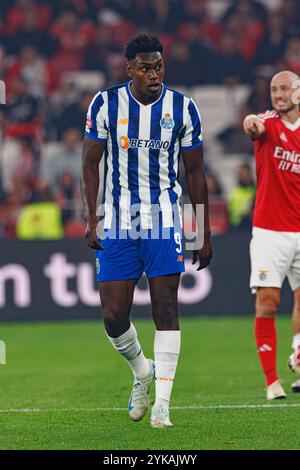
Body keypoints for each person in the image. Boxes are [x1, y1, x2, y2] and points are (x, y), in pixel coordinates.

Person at [81, 33, 212, 428]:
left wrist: (202, 231)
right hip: (119, 219)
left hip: (164, 218)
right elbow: (89, 164)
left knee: (166, 308)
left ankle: (163, 405)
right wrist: (92, 216)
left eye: (158, 66)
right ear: (130, 69)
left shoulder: (183, 108)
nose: (153, 74)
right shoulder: (105, 104)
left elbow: (194, 171)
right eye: (145, 67)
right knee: (113, 315)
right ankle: (142, 371)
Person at [243, 70, 300, 400]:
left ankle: (297, 354)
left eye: (284, 88)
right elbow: (254, 124)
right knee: (268, 302)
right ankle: (271, 379)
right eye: (273, 89)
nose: (278, 94)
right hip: (269, 231)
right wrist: (250, 122)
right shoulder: (267, 123)